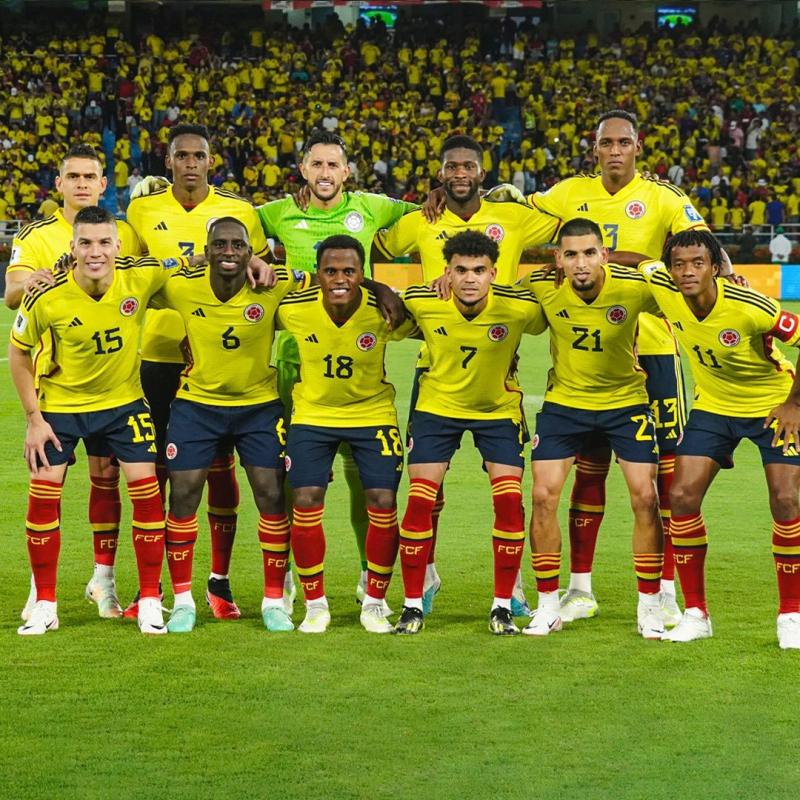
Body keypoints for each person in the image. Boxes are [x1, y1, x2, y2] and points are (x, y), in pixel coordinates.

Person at [487, 110, 711, 627]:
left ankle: (666, 591)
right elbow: (514, 215)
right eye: (605, 143)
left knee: (665, 480)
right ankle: (579, 589)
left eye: (623, 142)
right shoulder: (568, 193)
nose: (614, 150)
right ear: (595, 148)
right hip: (584, 364)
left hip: (651, 350)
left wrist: (630, 260)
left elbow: (700, 252)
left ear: (638, 146)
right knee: (587, 473)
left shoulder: (665, 196)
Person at [374, 133, 558, 617]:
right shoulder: (419, 220)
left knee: (506, 491)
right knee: (427, 493)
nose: (460, 174)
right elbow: (372, 240)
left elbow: (569, 224)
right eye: (451, 167)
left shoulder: (513, 217)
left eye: (468, 166)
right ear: (440, 174)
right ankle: (426, 572)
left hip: (500, 358)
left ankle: (511, 584)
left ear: (482, 171)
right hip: (433, 366)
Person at [257, 130, 415, 610]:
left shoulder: (374, 207)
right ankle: (284, 574)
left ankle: (372, 576)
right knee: (295, 477)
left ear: (347, 172)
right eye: (317, 165)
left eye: (334, 166)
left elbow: (432, 221)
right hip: (295, 357)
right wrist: (259, 265)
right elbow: (231, 236)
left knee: (362, 479)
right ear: (302, 170)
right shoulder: (275, 212)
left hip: (358, 358)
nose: (325, 174)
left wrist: (382, 286)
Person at [8, 206, 178, 636]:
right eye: (86, 243)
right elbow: (19, 352)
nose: (95, 251)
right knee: (43, 497)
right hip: (61, 408)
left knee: (147, 494)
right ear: (72, 247)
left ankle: (150, 602)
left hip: (124, 406)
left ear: (118, 245)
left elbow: (190, 268)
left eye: (104, 242)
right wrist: (33, 419)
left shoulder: (141, 276)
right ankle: (45, 603)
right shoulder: (46, 295)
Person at [126, 123, 270, 621]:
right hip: (160, 354)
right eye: (181, 155)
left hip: (220, 360)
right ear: (168, 162)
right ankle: (156, 587)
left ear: (212, 162)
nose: (190, 163)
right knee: (164, 472)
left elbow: (262, 270)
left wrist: (265, 267)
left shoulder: (240, 213)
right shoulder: (142, 208)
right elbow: (130, 266)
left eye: (199, 156)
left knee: (222, 469)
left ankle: (219, 581)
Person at [641, 230, 800, 649]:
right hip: (714, 407)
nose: (687, 271)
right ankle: (696, 613)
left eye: (697, 263)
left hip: (770, 405)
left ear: (716, 267)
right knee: (682, 497)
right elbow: (633, 257)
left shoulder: (750, 306)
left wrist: (793, 405)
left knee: (785, 499)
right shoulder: (662, 285)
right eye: (679, 264)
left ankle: (792, 615)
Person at [5, 143, 141, 621]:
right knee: (48, 485)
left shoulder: (119, 232)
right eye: (73, 176)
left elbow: (138, 279)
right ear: (58, 184)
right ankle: (40, 593)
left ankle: (103, 582)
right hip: (55, 385)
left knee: (106, 479)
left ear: (104, 184)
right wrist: (40, 280)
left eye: (91, 176)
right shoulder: (39, 235)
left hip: (112, 385)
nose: (82, 183)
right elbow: (11, 294)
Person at [153, 217, 307, 633]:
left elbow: (326, 276)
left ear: (249, 249)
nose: (228, 252)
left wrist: (380, 287)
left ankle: (274, 600)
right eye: (219, 244)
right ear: (207, 247)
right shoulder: (182, 285)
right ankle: (183, 600)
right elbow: (139, 278)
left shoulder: (272, 284)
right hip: (196, 405)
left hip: (258, 406)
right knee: (182, 493)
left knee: (272, 494)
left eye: (237, 245)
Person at [396, 230, 546, 636]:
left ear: (493, 272)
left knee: (510, 502)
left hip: (497, 412)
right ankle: (412, 605)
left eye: (479, 270)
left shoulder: (517, 308)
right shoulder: (423, 300)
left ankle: (502, 605)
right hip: (436, 410)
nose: (469, 278)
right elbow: (382, 303)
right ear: (447, 272)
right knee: (419, 501)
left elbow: (558, 298)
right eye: (460, 270)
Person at [520, 218, 664, 639]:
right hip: (565, 406)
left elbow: (686, 294)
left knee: (645, 498)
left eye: (588, 253)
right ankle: (548, 604)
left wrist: (728, 274)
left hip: (626, 404)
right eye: (570, 255)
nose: (580, 264)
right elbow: (492, 295)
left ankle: (650, 606)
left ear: (605, 254)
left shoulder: (634, 287)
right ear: (557, 260)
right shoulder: (543, 287)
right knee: (543, 495)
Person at [275, 235, 416, 634]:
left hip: (371, 415)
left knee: (382, 500)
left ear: (362, 275)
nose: (339, 279)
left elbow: (432, 323)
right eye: (331, 271)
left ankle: (374, 601)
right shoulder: (294, 307)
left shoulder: (383, 311)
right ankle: (315, 603)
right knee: (304, 498)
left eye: (350, 272)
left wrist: (384, 290)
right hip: (313, 414)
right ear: (317, 273)